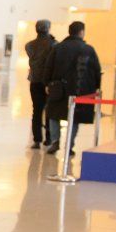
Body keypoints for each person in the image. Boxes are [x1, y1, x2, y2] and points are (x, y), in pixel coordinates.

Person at [44, 21, 102, 154]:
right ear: (81, 32)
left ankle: (55, 141)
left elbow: (48, 67)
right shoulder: (88, 49)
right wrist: (97, 87)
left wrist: (47, 83)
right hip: (80, 89)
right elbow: (96, 70)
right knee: (74, 117)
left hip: (58, 88)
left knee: (54, 115)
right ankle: (69, 146)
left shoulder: (58, 48)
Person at [25, 19, 56, 149]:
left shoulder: (29, 45)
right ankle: (49, 139)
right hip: (48, 82)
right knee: (48, 111)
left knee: (36, 111)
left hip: (35, 81)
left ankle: (37, 140)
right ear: (48, 28)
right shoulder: (54, 44)